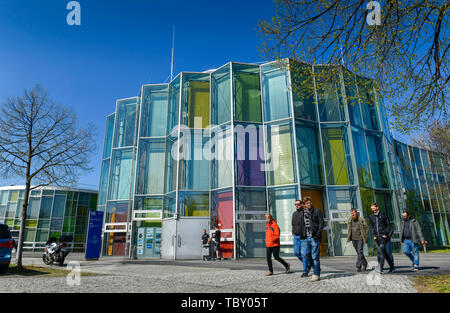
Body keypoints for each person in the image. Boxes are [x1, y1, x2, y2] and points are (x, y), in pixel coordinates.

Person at [299, 197, 324, 282]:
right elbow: (301, 225)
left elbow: (321, 223)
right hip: (305, 237)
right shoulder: (302, 213)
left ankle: (316, 274)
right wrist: (301, 234)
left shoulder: (317, 211)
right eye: (306, 203)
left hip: (314, 237)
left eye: (309, 203)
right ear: (304, 204)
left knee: (315, 257)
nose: (308, 204)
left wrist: (317, 234)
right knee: (305, 254)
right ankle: (312, 266)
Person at [368, 202, 395, 274]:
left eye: (374, 208)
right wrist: (373, 235)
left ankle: (381, 268)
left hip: (384, 236)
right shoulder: (371, 216)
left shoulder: (383, 215)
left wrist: (386, 234)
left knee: (384, 251)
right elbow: (372, 226)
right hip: (377, 237)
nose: (373, 210)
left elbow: (388, 225)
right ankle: (392, 267)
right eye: (372, 209)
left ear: (377, 207)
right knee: (384, 253)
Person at [292, 200, 311, 272]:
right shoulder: (294, 214)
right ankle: (309, 263)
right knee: (296, 253)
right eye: (295, 204)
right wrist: (293, 232)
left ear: (302, 205)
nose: (297, 205)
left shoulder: (305, 213)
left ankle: (304, 271)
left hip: (303, 236)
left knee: (304, 254)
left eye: (298, 204)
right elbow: (293, 224)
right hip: (296, 236)